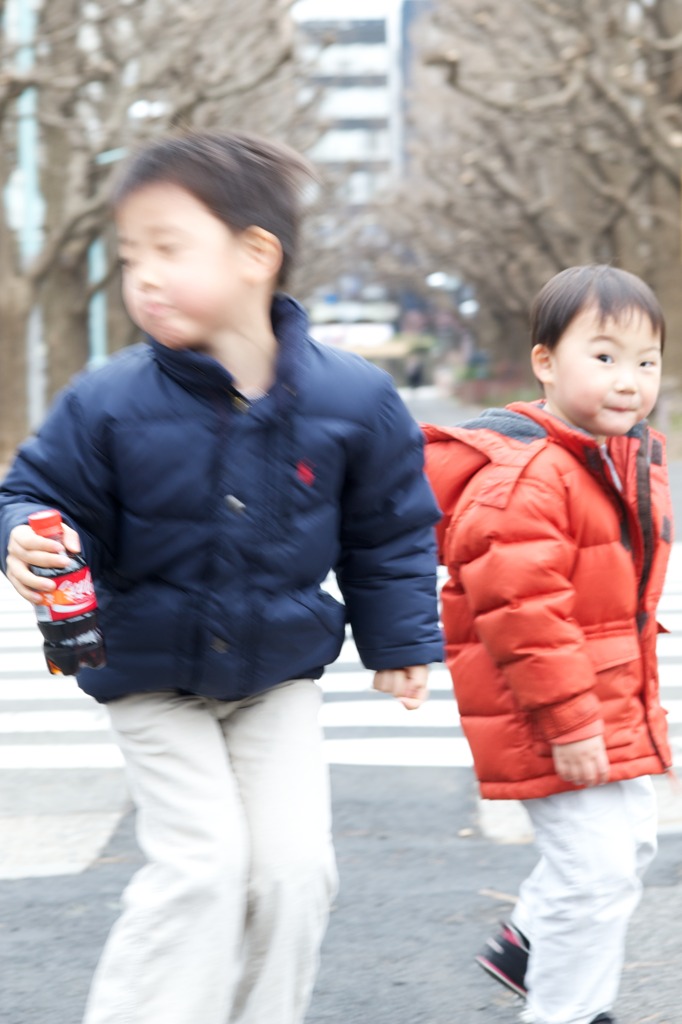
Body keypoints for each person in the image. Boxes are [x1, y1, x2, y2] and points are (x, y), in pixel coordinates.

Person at [0, 130, 443, 1024]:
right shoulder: (110, 397)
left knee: (292, 872)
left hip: (276, 676)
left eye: (170, 248)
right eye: (131, 256)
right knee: (202, 868)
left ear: (255, 255)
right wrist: (24, 536)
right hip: (149, 675)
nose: (144, 276)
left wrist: (401, 643)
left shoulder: (355, 400)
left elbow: (390, 531)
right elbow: (35, 488)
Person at [423, 265, 672, 1024]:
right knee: (596, 876)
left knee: (628, 845)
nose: (628, 380)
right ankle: (566, 1011)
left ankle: (527, 942)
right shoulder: (531, 475)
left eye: (646, 361)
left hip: (606, 701)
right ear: (545, 363)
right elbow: (522, 613)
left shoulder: (621, 456)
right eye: (603, 357)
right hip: (552, 715)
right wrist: (569, 722)